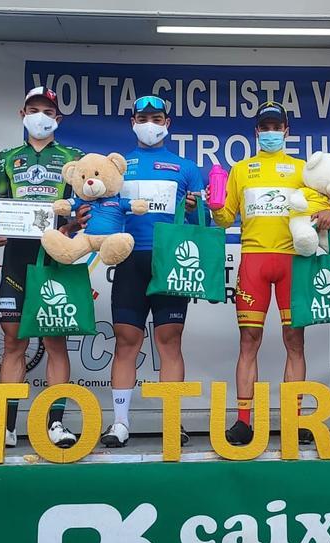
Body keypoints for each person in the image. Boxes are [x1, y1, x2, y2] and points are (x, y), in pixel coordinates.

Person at [214, 102, 330, 445]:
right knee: (248, 341)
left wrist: (328, 213)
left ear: (286, 131)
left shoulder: (302, 169)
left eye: (275, 126)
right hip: (254, 259)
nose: (269, 132)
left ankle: (295, 421)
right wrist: (212, 206)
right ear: (256, 132)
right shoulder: (241, 169)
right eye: (264, 127)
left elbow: (328, 205)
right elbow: (224, 218)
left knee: (294, 341)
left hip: (292, 262)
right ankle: (242, 421)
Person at [0, 87, 83, 450]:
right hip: (17, 257)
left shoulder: (74, 156)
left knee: (55, 341)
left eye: (48, 111)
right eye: (34, 109)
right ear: (22, 113)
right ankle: (4, 427)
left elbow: (83, 209)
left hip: (56, 255)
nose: (41, 117)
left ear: (58, 119)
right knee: (13, 340)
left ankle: (54, 424)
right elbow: (1, 207)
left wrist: (70, 228)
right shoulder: (6, 157)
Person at [103, 95, 204, 448]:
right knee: (126, 341)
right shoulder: (116, 166)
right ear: (132, 121)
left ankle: (172, 423)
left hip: (170, 262)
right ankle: (119, 423)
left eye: (157, 117)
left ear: (167, 123)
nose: (150, 123)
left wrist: (193, 208)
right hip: (130, 261)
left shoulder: (187, 168)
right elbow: (104, 211)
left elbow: (200, 222)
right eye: (143, 117)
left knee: (169, 341)